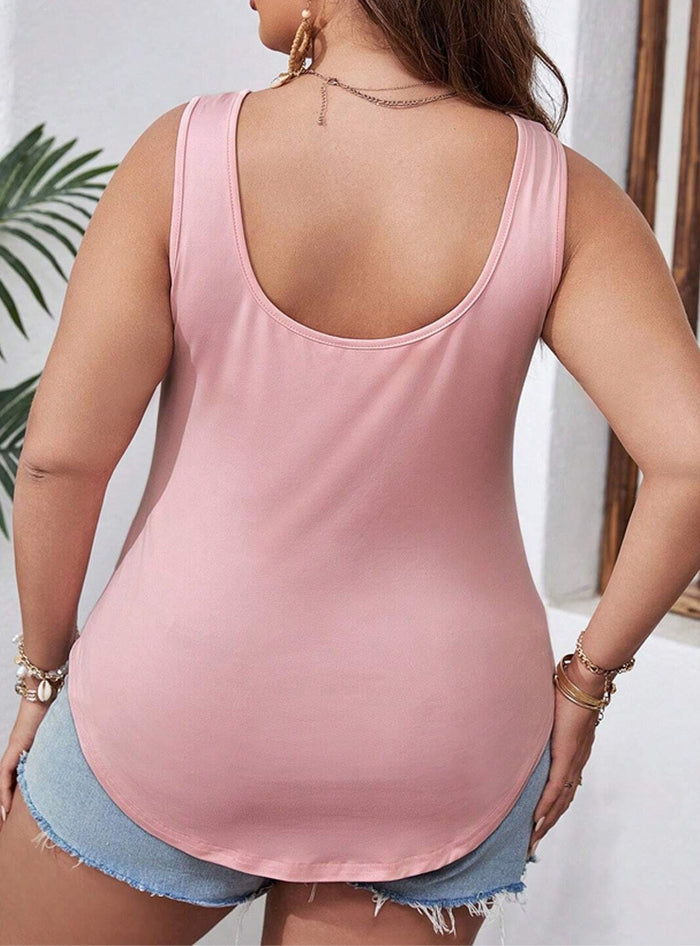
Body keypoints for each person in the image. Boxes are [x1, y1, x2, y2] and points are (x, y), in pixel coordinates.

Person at [1, 1, 699, 945]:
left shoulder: (185, 155)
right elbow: (690, 462)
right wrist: (585, 686)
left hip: (174, 707)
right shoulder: (563, 193)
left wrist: (41, 675)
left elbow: (60, 461)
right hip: (440, 741)